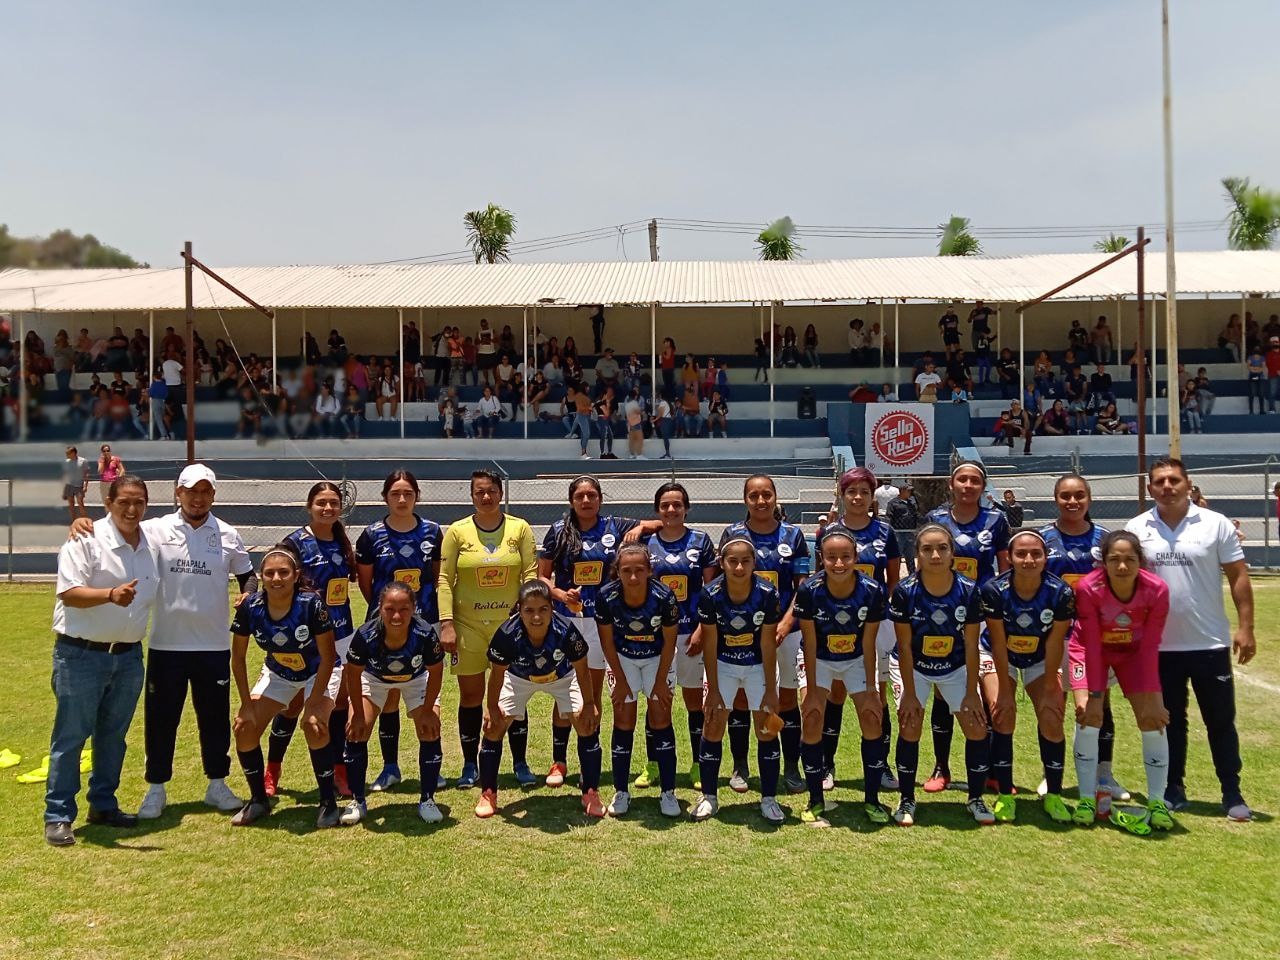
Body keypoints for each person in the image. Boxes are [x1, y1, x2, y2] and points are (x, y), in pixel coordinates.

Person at [75, 464, 256, 821]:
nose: (198, 497)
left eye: (205, 491)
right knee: (161, 720)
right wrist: (82, 522)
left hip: (214, 645)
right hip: (166, 644)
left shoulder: (228, 534)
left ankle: (217, 784)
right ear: (178, 493)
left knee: (215, 719)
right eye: (191, 491)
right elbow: (117, 525)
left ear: (214, 495)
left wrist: (248, 596)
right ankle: (156, 788)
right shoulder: (154, 529)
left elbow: (248, 577)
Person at [1125, 459, 1254, 821]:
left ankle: (1231, 791)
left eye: (1174, 480)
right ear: (1149, 489)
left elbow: (1238, 576)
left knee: (1220, 720)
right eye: (1160, 482)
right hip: (1158, 647)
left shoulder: (1216, 524)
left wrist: (1246, 627)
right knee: (1169, 721)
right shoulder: (1136, 528)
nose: (1167, 487)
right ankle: (1172, 788)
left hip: (1208, 642)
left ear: (1188, 485)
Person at [44, 475, 157, 846]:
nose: (131, 508)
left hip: (127, 657)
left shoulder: (150, 542)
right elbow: (69, 593)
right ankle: (58, 815)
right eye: (123, 501)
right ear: (107, 502)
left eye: (139, 501)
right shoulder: (85, 538)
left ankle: (103, 804)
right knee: (71, 738)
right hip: (81, 655)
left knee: (113, 737)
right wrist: (110, 594)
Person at [538, 476, 658, 784]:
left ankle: (588, 757)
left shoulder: (614, 526)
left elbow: (658, 522)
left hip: (603, 622)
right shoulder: (558, 531)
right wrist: (561, 595)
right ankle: (559, 761)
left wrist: (640, 528)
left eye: (592, 495)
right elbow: (543, 578)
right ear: (572, 501)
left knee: (591, 694)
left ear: (600, 500)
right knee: (565, 691)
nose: (586, 501)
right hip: (568, 620)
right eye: (580, 496)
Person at [437, 469, 538, 789]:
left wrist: (526, 618)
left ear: (500, 493)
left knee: (515, 696)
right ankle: (470, 764)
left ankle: (520, 762)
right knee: (471, 696)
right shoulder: (457, 531)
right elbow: (443, 579)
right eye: (479, 491)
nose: (486, 496)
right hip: (468, 627)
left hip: (510, 628)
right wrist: (447, 623)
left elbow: (530, 575)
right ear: (471, 495)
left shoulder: (519, 529)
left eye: (491, 491)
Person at [228, 543, 340, 828]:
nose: (276, 578)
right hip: (279, 673)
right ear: (261, 576)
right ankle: (258, 800)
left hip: (318, 672)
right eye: (269, 573)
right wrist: (246, 704)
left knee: (314, 724)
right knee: (244, 727)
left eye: (283, 572)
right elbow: (238, 659)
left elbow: (328, 657)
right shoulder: (250, 607)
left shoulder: (311, 605)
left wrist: (314, 701)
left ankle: (328, 803)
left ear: (295, 575)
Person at [887, 524, 992, 826]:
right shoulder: (906, 592)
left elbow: (972, 644)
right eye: (927, 549)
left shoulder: (969, 590)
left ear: (952, 554)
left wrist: (972, 691)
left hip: (955, 666)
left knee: (975, 727)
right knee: (910, 725)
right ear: (917, 554)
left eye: (942, 548)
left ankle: (976, 798)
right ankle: (907, 799)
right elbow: (905, 646)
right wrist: (909, 692)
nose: (935, 554)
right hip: (913, 666)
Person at [1069, 531, 1173, 834]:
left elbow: (1151, 644)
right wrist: (1095, 695)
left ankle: (1156, 802)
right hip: (1089, 651)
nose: (1123, 566)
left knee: (1153, 719)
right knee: (1089, 716)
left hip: (1135, 653)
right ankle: (1087, 799)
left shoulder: (1157, 589)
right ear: (1104, 562)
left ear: (1140, 561)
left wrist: (1154, 695)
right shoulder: (1089, 587)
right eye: (1114, 559)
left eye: (1129, 559)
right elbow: (1090, 644)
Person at [264, 482, 359, 798]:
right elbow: (269, 570)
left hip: (342, 634)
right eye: (322, 503)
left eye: (334, 503)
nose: (328, 508)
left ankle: (339, 772)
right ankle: (272, 769)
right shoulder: (295, 542)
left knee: (339, 704)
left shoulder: (342, 541)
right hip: (305, 640)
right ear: (310, 506)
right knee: (293, 705)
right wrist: (249, 592)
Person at [475, 581, 602, 818]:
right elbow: (497, 675)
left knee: (585, 724)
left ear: (552, 608)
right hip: (518, 678)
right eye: (529, 610)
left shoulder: (566, 631)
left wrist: (590, 704)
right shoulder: (506, 634)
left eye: (543, 609)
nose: (536, 617)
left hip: (562, 677)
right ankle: (488, 793)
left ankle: (591, 792)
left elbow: (583, 671)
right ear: (519, 610)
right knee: (494, 726)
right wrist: (492, 707)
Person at [718, 475, 811, 794]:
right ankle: (741, 766)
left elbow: (803, 587)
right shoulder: (733, 534)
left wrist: (786, 623)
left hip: (785, 633)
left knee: (786, 699)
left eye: (766, 495)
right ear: (745, 499)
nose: (761, 501)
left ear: (775, 497)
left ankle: (791, 767)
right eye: (754, 495)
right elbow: (723, 587)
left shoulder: (793, 534)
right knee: (742, 698)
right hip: (741, 633)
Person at [923, 461, 1010, 792]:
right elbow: (925, 568)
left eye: (975, 480)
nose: (968, 485)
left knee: (987, 695)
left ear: (983, 487)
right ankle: (940, 768)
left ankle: (987, 769)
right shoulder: (937, 520)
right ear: (951, 484)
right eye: (963, 479)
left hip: (984, 620)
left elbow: (1003, 573)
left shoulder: (996, 521)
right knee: (945, 695)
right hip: (944, 618)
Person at [1040, 473, 1127, 803]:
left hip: (1095, 636)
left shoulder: (1106, 539)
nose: (1072, 502)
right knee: (1054, 704)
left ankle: (1104, 773)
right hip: (1055, 635)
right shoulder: (1044, 538)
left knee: (1099, 704)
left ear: (1089, 499)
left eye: (1079, 495)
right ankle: (1053, 774)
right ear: (1055, 499)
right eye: (1065, 496)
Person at [355, 470, 443, 793]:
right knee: (388, 695)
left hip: (424, 623)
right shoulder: (371, 534)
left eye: (408, 493)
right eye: (396, 494)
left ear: (417, 496)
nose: (402, 499)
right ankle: (390, 767)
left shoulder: (433, 532)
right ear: (385, 497)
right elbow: (366, 584)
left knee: (426, 696)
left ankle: (433, 766)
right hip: (384, 626)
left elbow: (434, 577)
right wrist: (390, 616)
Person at [816, 468, 902, 795]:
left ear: (872, 496)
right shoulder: (830, 531)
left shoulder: (884, 532)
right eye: (851, 492)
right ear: (842, 495)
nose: (857, 498)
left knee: (875, 695)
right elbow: (819, 577)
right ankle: (826, 763)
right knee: (835, 693)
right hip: (836, 622)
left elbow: (892, 581)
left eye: (864, 492)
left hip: (876, 624)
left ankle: (881, 764)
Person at [979, 530, 1075, 823]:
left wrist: (1049, 686)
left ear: (1046, 558)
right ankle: (1006, 796)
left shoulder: (1061, 592)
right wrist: (1006, 693)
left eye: (1036, 554)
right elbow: (996, 640)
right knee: (1002, 713)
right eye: (1021, 554)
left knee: (1051, 715)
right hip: (998, 653)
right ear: (1009, 557)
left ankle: (1054, 795)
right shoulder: (995, 589)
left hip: (1041, 657)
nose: (1029, 559)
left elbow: (1057, 641)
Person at [796, 529, 889, 825]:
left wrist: (872, 689)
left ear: (855, 558)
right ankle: (815, 799)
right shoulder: (809, 590)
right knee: (811, 717)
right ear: (821, 559)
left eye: (845, 557)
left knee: (872, 716)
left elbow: (869, 642)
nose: (839, 563)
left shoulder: (872, 590)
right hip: (818, 658)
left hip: (856, 659)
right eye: (832, 557)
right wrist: (812, 689)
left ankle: (873, 799)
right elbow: (809, 642)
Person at [690, 537, 784, 823]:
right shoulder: (710, 594)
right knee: (714, 723)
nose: (739, 567)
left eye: (746, 561)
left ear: (755, 563)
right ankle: (709, 797)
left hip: (758, 665)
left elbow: (768, 643)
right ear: (722, 563)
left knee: (767, 728)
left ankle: (768, 798)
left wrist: (769, 689)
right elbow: (709, 643)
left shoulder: (768, 593)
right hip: (724, 664)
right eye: (733, 561)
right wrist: (714, 689)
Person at [339, 582, 445, 825]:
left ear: (414, 609)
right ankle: (358, 801)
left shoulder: (426, 633)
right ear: (380, 608)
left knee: (430, 729)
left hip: (416, 679)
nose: (397, 616)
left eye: (404, 609)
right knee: (357, 731)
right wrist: (355, 714)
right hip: (374, 678)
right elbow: (353, 675)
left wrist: (428, 711)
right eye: (390, 609)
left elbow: (436, 672)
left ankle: (427, 799)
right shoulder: (366, 634)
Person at [642, 483, 718, 791]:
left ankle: (698, 764)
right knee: (657, 701)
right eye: (665, 505)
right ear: (657, 509)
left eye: (677, 504)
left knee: (692, 701)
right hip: (657, 637)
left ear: (686, 507)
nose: (671, 510)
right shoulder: (646, 543)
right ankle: (653, 764)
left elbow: (711, 591)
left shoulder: (700, 541)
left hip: (691, 635)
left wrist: (702, 627)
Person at [596, 544, 681, 817]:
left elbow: (669, 643)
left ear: (649, 571)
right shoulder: (606, 597)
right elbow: (607, 643)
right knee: (624, 718)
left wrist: (659, 682)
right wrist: (620, 680)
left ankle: (668, 792)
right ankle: (621, 791)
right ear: (617, 572)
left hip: (659, 659)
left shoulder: (664, 596)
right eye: (626, 571)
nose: (633, 577)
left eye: (639, 571)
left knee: (660, 718)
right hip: (623, 659)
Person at [885, 482, 920, 574]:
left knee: (910, 556)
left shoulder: (911, 503)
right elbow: (889, 518)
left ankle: (912, 575)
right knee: (897, 556)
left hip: (909, 533)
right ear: (902, 491)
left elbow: (916, 515)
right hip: (898, 533)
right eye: (908, 491)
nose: (909, 493)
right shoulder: (893, 503)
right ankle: (895, 575)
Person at [60, 446, 91, 521]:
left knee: (80, 503)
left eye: (68, 453)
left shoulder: (83, 461)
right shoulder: (66, 462)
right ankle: (73, 520)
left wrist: (85, 486)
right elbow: (66, 475)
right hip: (69, 485)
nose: (67, 455)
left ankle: (85, 521)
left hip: (79, 485)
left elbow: (86, 474)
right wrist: (64, 490)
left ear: (73, 453)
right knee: (71, 505)